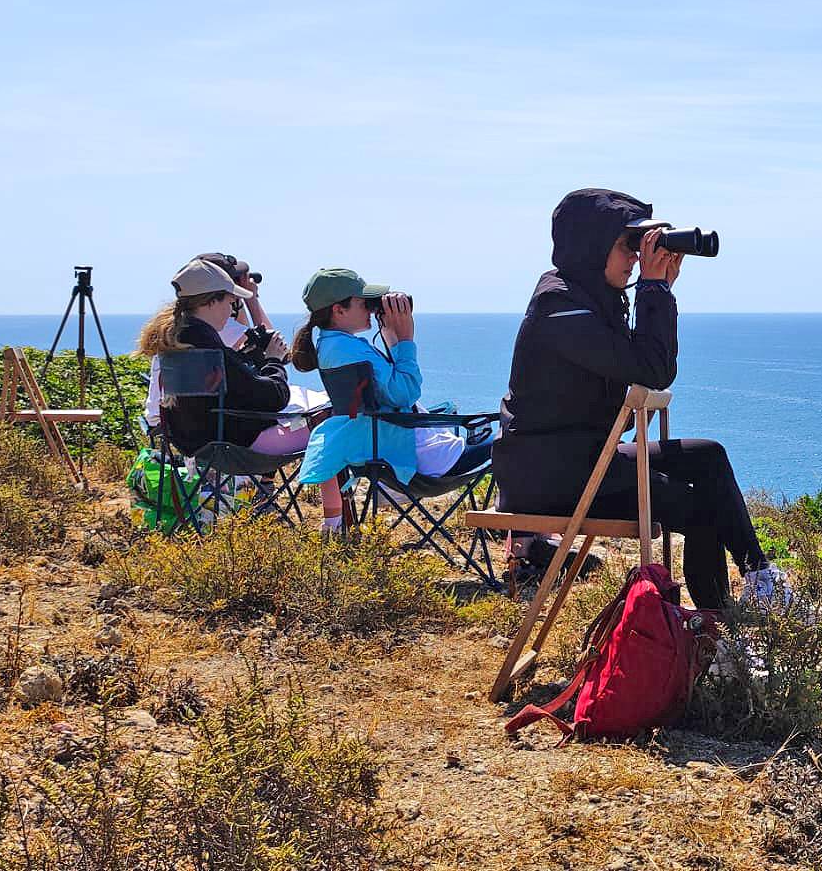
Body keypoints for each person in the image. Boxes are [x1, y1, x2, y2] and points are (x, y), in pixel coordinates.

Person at [493, 188, 784, 614]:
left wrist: (659, 289)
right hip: (549, 477)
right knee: (700, 511)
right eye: (625, 245)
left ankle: (760, 578)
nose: (634, 257)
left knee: (708, 456)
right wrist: (653, 290)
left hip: (584, 460)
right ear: (591, 246)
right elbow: (652, 369)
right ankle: (716, 626)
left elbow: (650, 364)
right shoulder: (558, 304)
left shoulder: (590, 298)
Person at [293, 268, 471, 530]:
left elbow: (388, 394)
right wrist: (405, 340)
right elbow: (405, 393)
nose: (371, 308)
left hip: (385, 445)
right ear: (338, 310)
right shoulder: (350, 349)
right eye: (364, 302)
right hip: (415, 457)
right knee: (506, 444)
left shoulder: (332, 345)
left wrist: (390, 336)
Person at [136, 259, 292, 455]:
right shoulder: (209, 349)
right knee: (322, 426)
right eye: (230, 302)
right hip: (232, 446)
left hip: (191, 444)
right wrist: (273, 361)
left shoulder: (177, 341)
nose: (232, 310)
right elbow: (274, 398)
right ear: (211, 302)